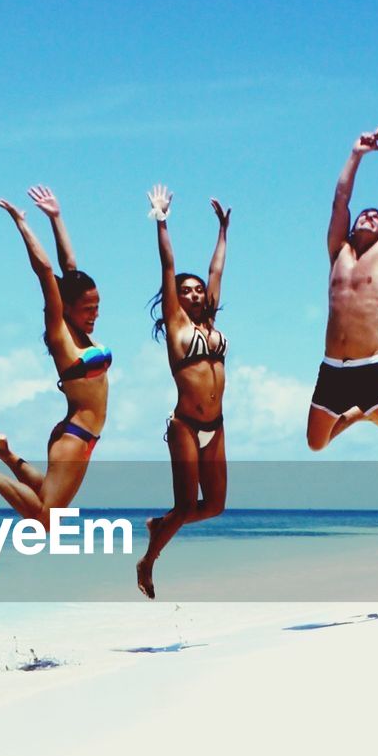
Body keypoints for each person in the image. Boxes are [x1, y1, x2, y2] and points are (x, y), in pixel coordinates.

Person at [0, 186, 108, 526]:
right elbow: (47, 273)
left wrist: (56, 219)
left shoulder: (82, 332)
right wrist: (22, 223)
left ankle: (5, 453)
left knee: (46, 497)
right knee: (46, 518)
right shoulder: (60, 334)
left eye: (98, 307)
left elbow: (68, 267)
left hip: (82, 436)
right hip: (73, 437)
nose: (94, 314)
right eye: (88, 308)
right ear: (69, 307)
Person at [136, 185, 231, 599]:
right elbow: (167, 262)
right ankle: (148, 561)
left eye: (197, 290)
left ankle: (160, 526)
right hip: (187, 426)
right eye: (186, 289)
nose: (194, 293)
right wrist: (162, 221)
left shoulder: (210, 326)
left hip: (217, 425)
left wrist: (223, 232)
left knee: (213, 507)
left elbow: (217, 273)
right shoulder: (177, 324)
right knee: (183, 504)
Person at [307, 126, 378, 451]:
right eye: (364, 215)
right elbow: (340, 200)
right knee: (316, 443)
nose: (369, 217)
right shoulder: (338, 251)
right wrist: (356, 154)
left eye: (376, 217)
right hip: (332, 367)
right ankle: (361, 413)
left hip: (369, 367)